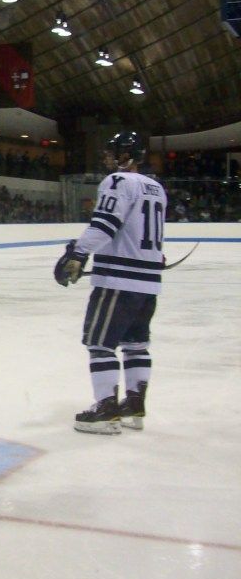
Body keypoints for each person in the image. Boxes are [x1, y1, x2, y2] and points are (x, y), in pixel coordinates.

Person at [54, 131, 167, 434]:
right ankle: (134, 405)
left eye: (112, 152)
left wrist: (78, 253)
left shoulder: (118, 181)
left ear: (126, 155)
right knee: (136, 344)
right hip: (148, 283)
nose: (107, 158)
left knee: (99, 343)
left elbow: (105, 225)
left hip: (119, 280)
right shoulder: (155, 187)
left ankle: (105, 409)